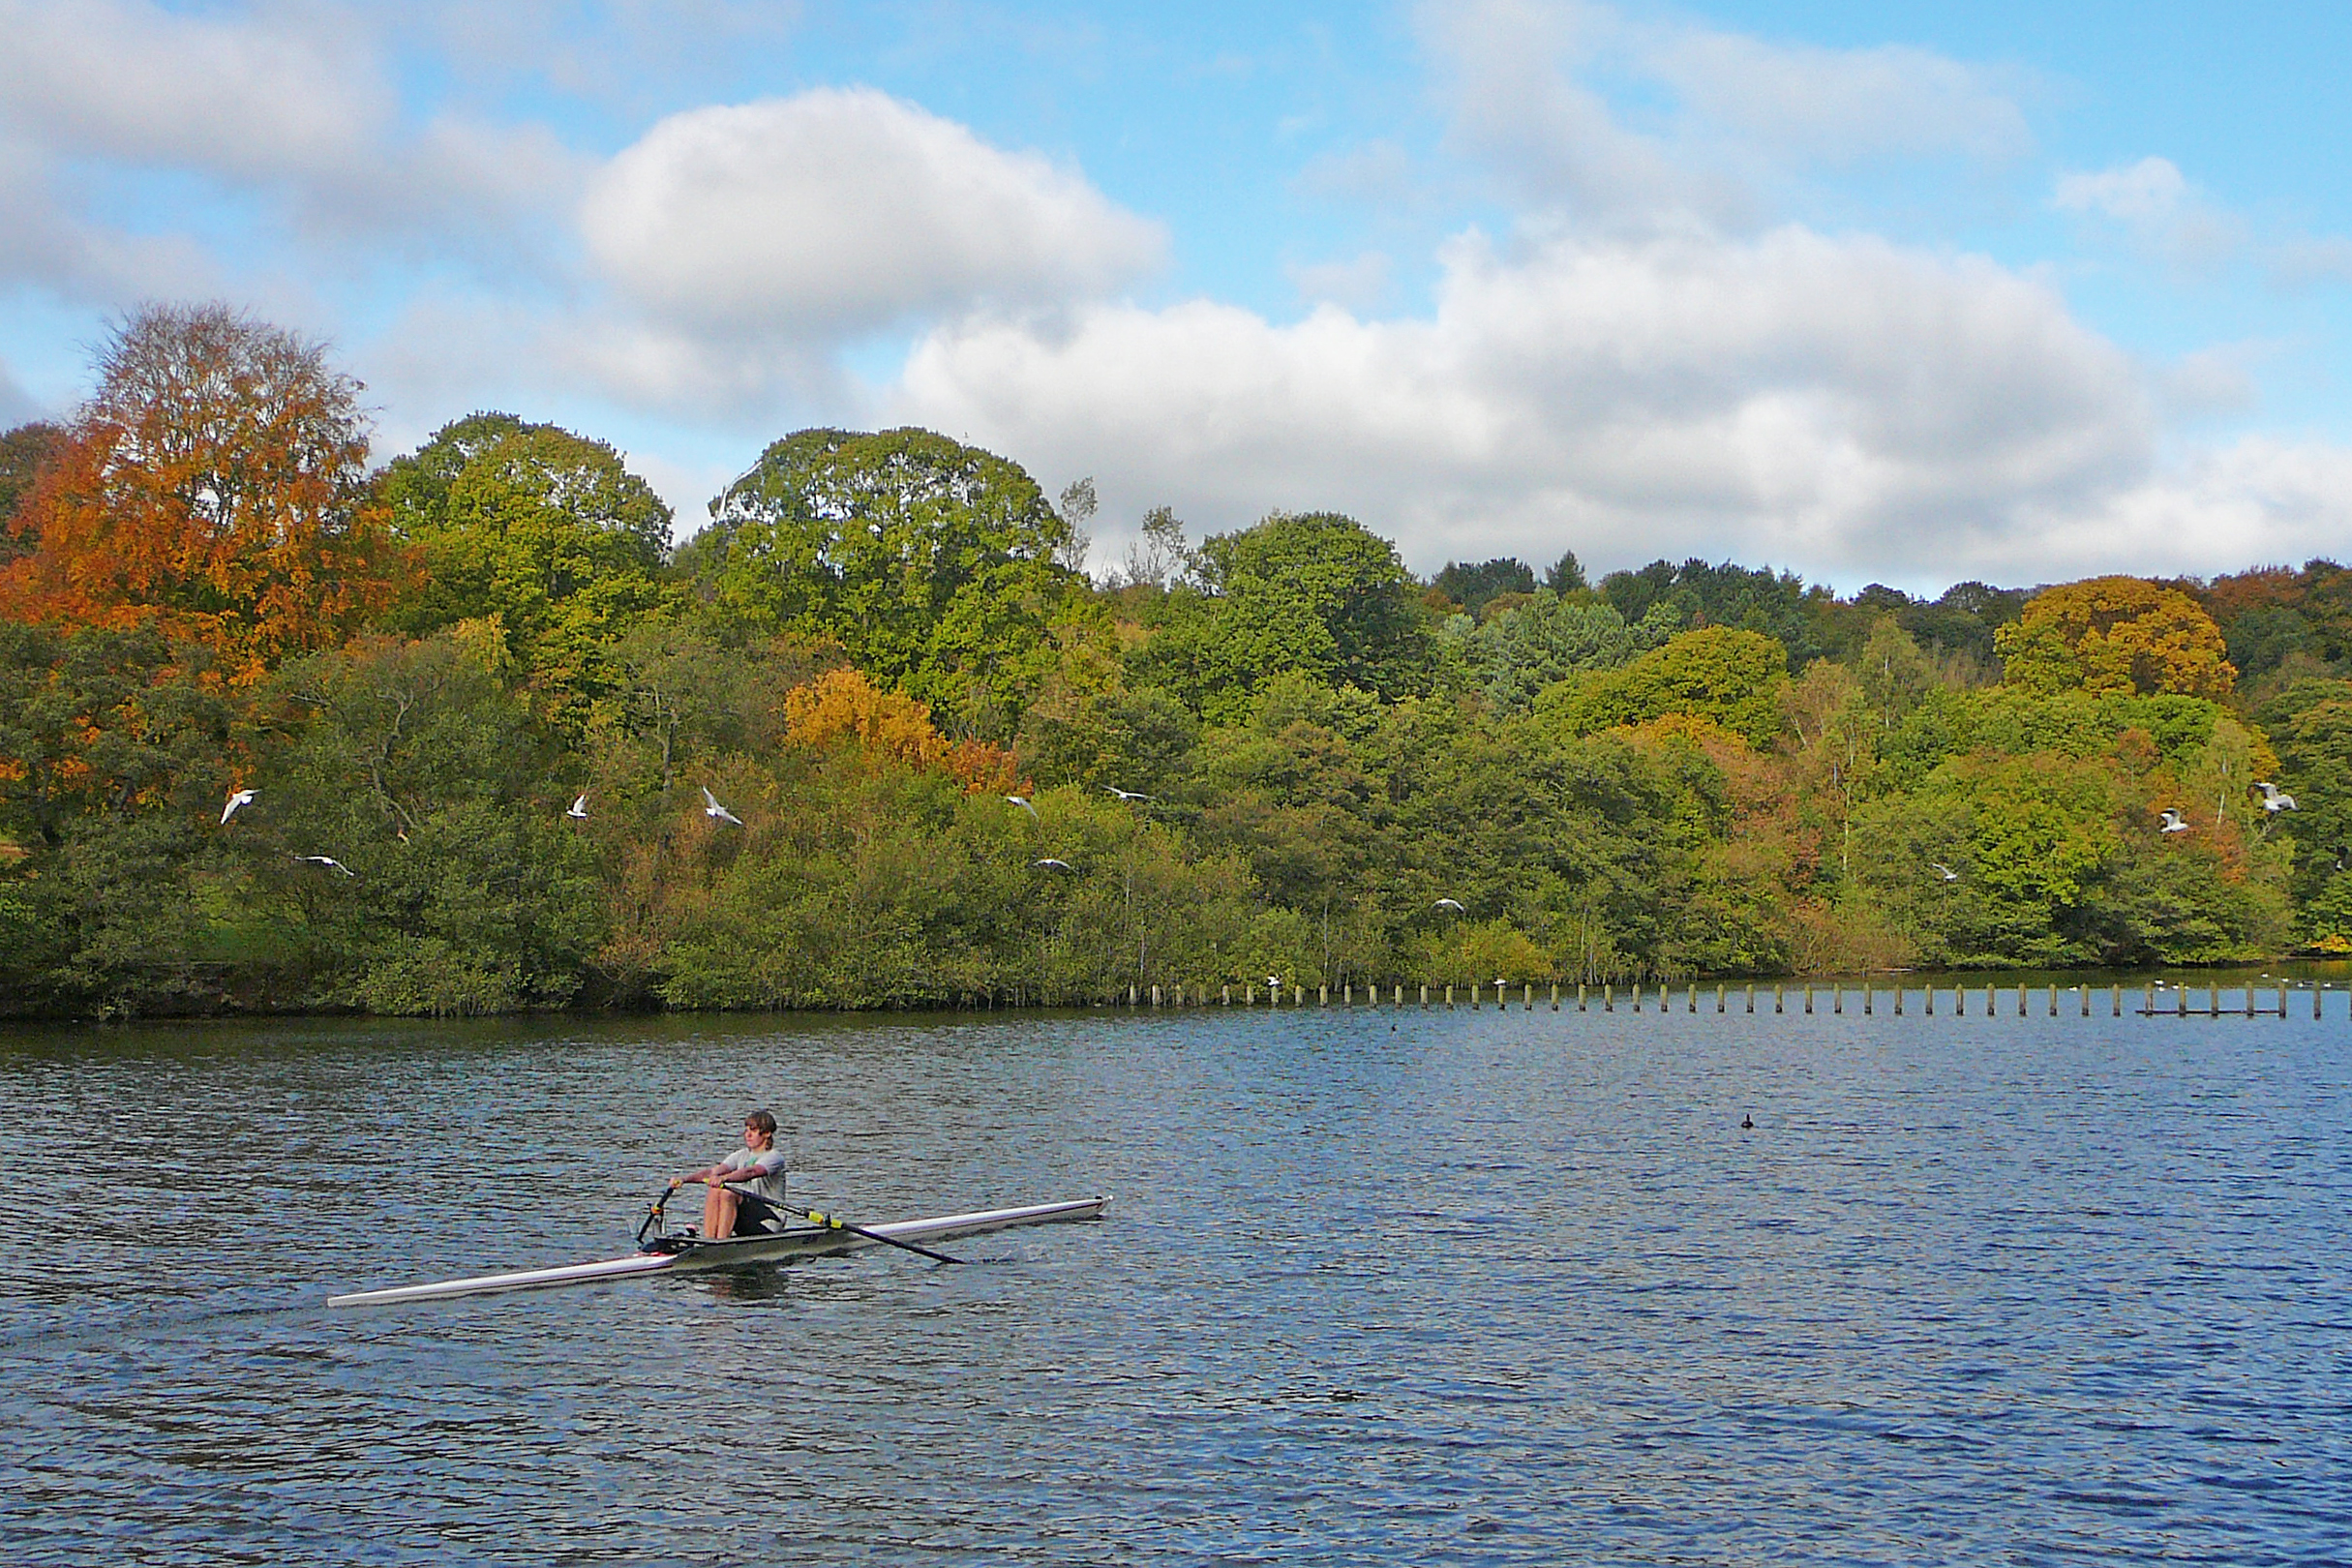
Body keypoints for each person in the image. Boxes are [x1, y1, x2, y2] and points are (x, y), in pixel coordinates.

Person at [675, 1110, 789, 1239]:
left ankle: (721, 1243)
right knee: (714, 1190)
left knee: (727, 1193)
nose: (748, 1135)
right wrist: (684, 1179)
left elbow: (751, 1172)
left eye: (753, 1130)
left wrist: (723, 1178)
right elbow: (713, 1172)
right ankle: (710, 1240)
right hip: (746, 1217)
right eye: (746, 1130)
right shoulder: (741, 1155)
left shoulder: (774, 1157)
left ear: (767, 1133)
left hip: (768, 1222)